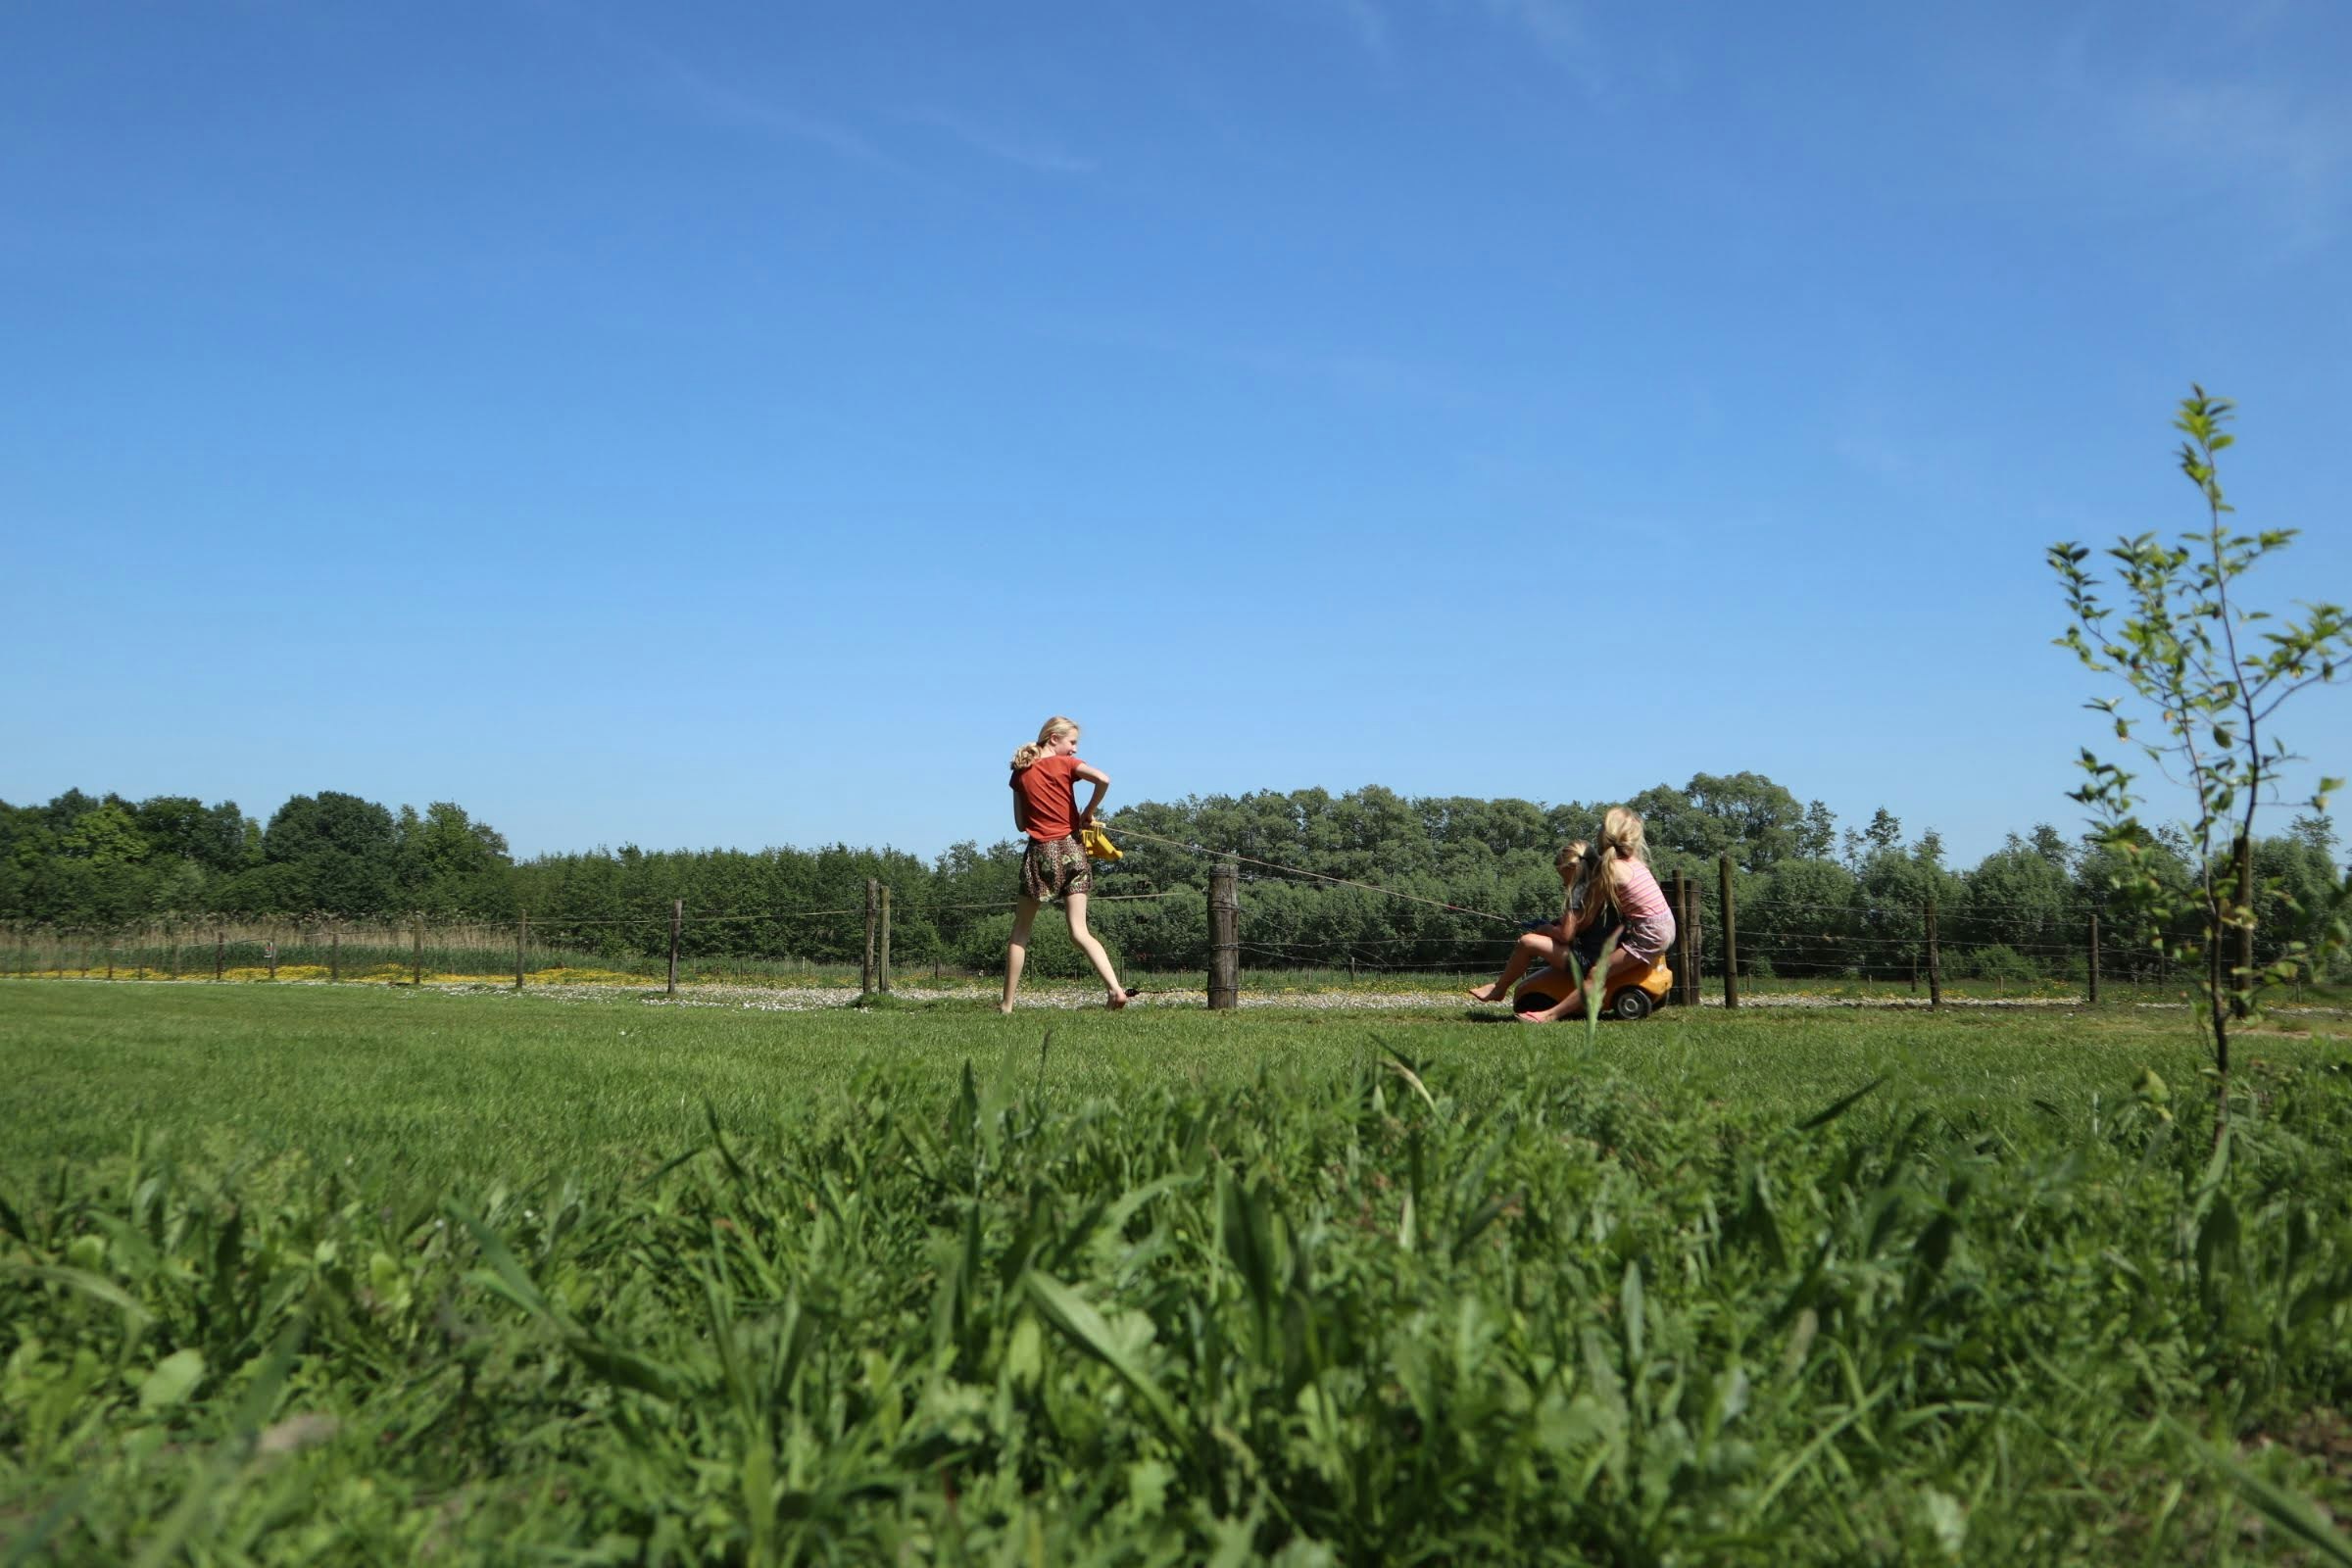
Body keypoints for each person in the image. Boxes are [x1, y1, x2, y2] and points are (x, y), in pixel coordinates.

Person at [1002, 716, 1130, 1013]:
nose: (1073, 750)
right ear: (1053, 738)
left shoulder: (1019, 774)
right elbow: (1104, 779)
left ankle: (1007, 1005)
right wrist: (1087, 812)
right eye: (1072, 742)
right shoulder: (1066, 766)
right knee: (1079, 931)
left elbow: (1021, 824)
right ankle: (1115, 989)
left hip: (1041, 854)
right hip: (1073, 850)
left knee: (1020, 932)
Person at [1509, 807, 1676, 1024]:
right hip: (1665, 926)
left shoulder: (1609, 870)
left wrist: (1557, 928)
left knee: (1596, 973)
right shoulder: (1634, 861)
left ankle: (1549, 1015)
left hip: (1650, 934)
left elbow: (1585, 916)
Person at [1466, 840, 1596, 1005]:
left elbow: (1566, 936)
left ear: (1571, 868)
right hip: (1599, 955)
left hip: (1589, 960)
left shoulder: (1578, 891)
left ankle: (1499, 989)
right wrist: (1557, 923)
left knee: (1526, 942)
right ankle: (1499, 988)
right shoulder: (1596, 885)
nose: (1563, 883)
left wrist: (1546, 928)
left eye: (1562, 876)